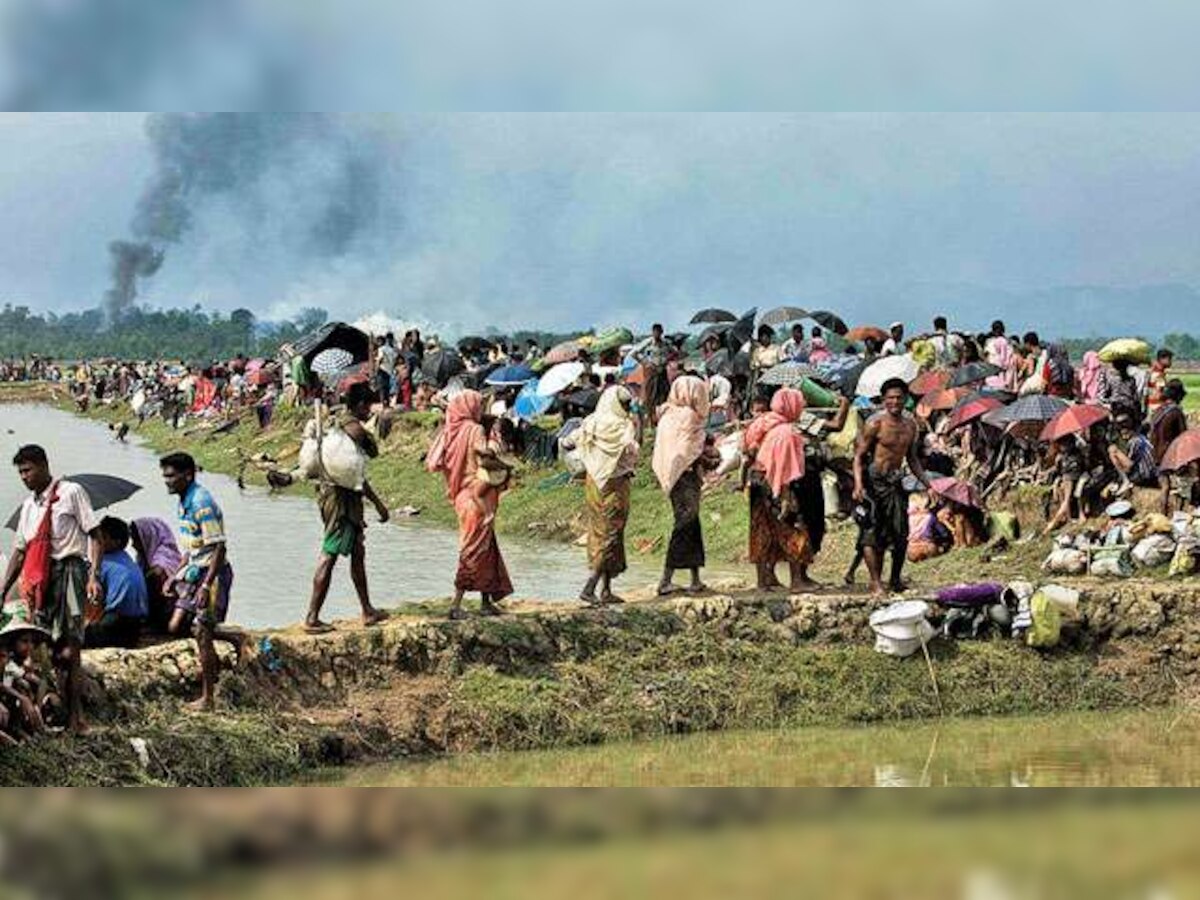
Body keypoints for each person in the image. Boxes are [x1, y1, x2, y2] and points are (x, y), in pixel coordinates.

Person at [0, 445, 101, 732]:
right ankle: (54, 708)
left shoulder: (71, 492)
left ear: (43, 465)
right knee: (47, 647)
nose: (24, 477)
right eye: (20, 472)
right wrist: (5, 589)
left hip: (69, 570)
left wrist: (94, 575)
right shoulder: (30, 507)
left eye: (28, 470)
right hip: (41, 579)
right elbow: (20, 552)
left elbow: (95, 535)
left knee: (71, 647)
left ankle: (77, 718)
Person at [160, 452, 244, 711]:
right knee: (179, 627)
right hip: (196, 569)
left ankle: (208, 699)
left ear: (188, 475)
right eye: (165, 476)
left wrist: (207, 586)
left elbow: (219, 548)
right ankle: (233, 636)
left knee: (202, 633)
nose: (167, 481)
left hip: (212, 573)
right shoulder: (184, 500)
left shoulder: (201, 503)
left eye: (171, 476)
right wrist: (175, 575)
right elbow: (191, 546)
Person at [305, 383, 391, 634]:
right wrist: (379, 504)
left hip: (336, 495)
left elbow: (353, 472)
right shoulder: (355, 430)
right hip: (342, 501)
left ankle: (367, 609)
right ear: (362, 406)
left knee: (357, 552)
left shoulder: (336, 424)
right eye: (369, 405)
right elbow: (370, 457)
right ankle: (311, 617)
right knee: (329, 553)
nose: (370, 410)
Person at [426, 390, 513, 620]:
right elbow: (483, 457)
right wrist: (499, 453)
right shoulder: (474, 430)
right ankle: (456, 604)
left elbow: (437, 462)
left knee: (486, 547)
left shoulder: (449, 431)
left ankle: (486, 601)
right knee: (472, 550)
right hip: (478, 496)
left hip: (462, 496)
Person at [853, 379, 932, 597]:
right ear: (884, 400)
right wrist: (858, 485)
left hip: (895, 482)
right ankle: (875, 582)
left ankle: (895, 579)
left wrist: (928, 484)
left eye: (899, 397)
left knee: (900, 534)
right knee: (872, 533)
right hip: (873, 483)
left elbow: (913, 459)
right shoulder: (875, 424)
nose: (895, 401)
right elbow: (859, 457)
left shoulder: (910, 426)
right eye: (890, 398)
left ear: (905, 399)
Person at [743, 388, 817, 592]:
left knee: (761, 529)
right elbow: (784, 468)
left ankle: (763, 580)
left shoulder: (763, 422)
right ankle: (797, 581)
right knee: (793, 528)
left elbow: (748, 450)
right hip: (774, 482)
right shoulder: (788, 432)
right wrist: (785, 496)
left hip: (757, 478)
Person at [572, 386, 639, 606]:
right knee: (611, 534)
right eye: (626, 404)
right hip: (615, 484)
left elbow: (570, 441)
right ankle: (589, 587)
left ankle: (606, 590)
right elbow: (632, 449)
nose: (628, 408)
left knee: (601, 532)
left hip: (594, 483)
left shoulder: (592, 422)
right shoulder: (624, 426)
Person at [652, 376, 719, 596]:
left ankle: (695, 579)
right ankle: (665, 579)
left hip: (673, 477)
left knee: (691, 525)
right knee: (684, 526)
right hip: (685, 477)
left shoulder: (667, 415)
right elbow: (691, 451)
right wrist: (710, 459)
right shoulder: (688, 417)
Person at [84, 517, 149, 650]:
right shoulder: (127, 559)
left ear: (116, 542)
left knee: (72, 638)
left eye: (102, 539)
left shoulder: (104, 564)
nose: (97, 543)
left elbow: (91, 598)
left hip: (115, 624)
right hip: (136, 628)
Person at [130, 517, 183, 633]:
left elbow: (158, 573)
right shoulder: (144, 559)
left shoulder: (163, 558)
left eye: (136, 540)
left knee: (152, 577)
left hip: (171, 612)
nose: (133, 545)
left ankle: (155, 625)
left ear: (148, 538)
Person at [1150, 379, 1189, 514]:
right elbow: (1184, 437)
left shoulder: (1158, 411)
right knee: (1186, 480)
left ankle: (1163, 514)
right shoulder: (1176, 412)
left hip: (1155, 456)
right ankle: (1181, 512)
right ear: (1178, 396)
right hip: (1169, 457)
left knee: (1165, 487)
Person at [1108, 415, 1158, 491]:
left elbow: (1129, 465)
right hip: (1154, 473)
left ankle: (1125, 480)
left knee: (1112, 450)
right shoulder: (1142, 438)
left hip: (1144, 475)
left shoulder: (1134, 441)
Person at [639, 324, 671, 425]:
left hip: (662, 371)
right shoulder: (648, 343)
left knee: (664, 394)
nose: (657, 334)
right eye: (655, 332)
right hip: (652, 371)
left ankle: (662, 418)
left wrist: (667, 360)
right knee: (651, 395)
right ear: (652, 332)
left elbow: (674, 352)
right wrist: (646, 363)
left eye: (659, 332)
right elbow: (635, 353)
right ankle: (650, 419)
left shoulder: (665, 343)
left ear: (662, 332)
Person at [1099, 360, 1143, 426]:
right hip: (1129, 407)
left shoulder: (1112, 379)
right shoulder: (1131, 379)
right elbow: (1135, 396)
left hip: (1116, 407)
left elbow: (1106, 394)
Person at [1146, 348, 1175, 416]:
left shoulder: (1153, 371)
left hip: (1152, 406)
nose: (1171, 362)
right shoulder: (1158, 374)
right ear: (1162, 359)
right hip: (1157, 406)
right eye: (1169, 359)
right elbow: (1160, 392)